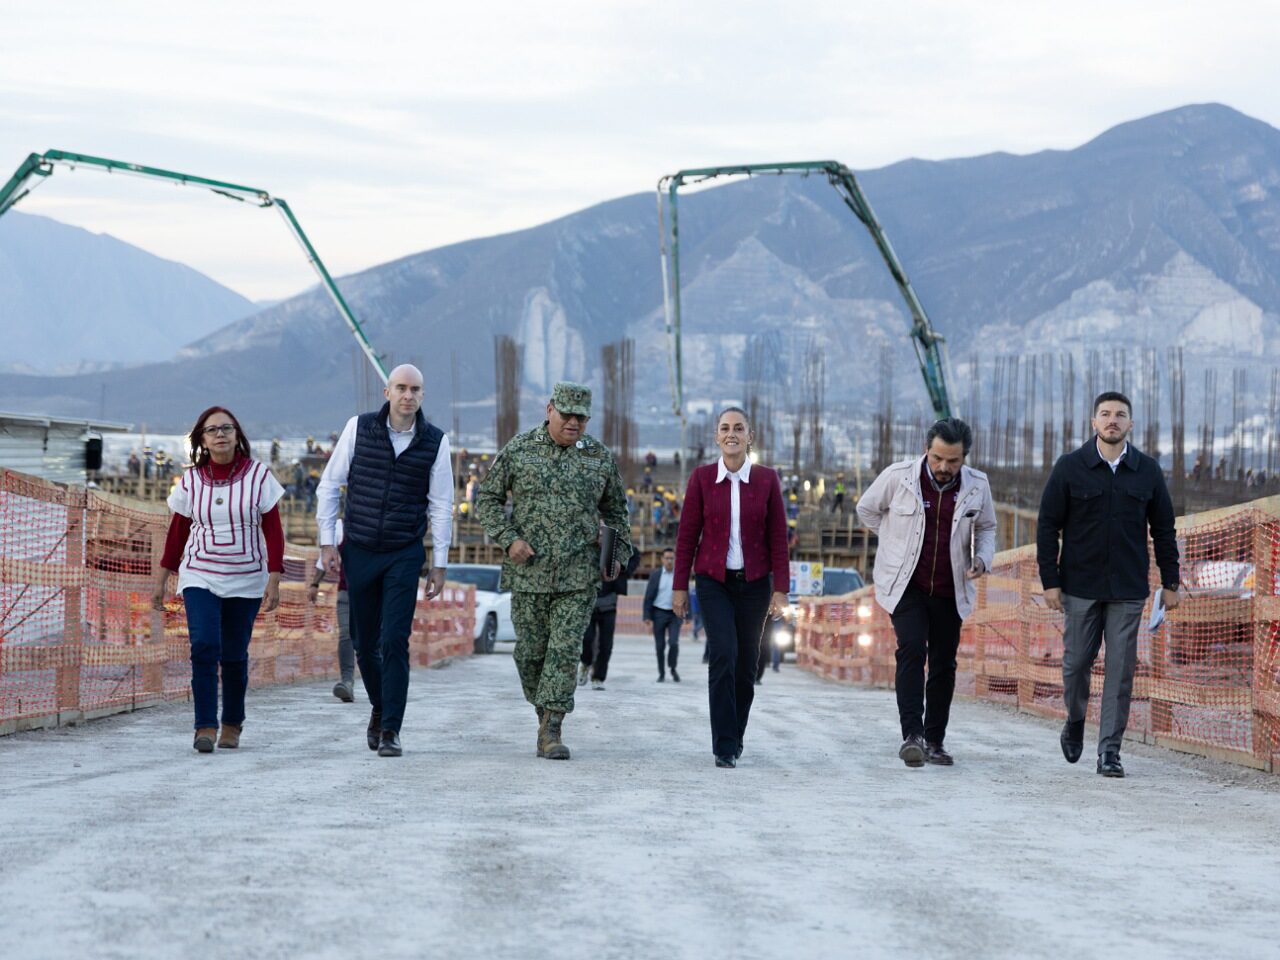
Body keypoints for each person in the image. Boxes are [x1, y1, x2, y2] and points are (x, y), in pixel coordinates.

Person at [476, 382, 632, 761]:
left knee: (564, 651)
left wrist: (616, 552)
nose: (574, 423)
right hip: (529, 572)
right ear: (549, 410)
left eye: (581, 417)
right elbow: (487, 499)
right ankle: (543, 710)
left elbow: (617, 513)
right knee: (529, 653)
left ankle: (553, 728)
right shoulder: (519, 450)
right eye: (567, 415)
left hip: (579, 576)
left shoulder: (598, 458)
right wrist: (509, 539)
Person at [1037, 391, 1180, 778]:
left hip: (1128, 589)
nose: (1112, 420)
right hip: (1079, 586)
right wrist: (1050, 580)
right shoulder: (1070, 467)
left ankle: (1109, 752)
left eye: (1120, 415)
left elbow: (1164, 529)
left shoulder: (1147, 471)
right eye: (1105, 414)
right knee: (1076, 664)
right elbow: (1048, 525)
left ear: (1131, 425)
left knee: (1120, 670)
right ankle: (1075, 718)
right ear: (1093, 422)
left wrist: (1171, 582)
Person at [316, 364, 454, 758]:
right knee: (363, 642)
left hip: (403, 552)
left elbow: (441, 506)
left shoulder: (435, 442)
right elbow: (330, 484)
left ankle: (391, 728)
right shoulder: (358, 429)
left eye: (415, 389)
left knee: (395, 639)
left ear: (423, 396)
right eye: (401, 388)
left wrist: (439, 564)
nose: (408, 395)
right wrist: (328, 543)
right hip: (359, 547)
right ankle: (380, 706)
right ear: (387, 392)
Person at [856, 417, 996, 768]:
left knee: (944, 663)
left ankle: (935, 741)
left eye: (953, 461)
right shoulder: (898, 477)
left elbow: (988, 526)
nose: (944, 467)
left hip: (951, 589)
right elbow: (867, 509)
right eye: (937, 459)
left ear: (965, 458)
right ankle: (912, 736)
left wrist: (981, 558)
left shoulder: (978, 486)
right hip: (906, 586)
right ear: (926, 450)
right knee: (913, 649)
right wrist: (893, 544)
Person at [151, 406, 285, 753]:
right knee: (205, 645)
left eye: (227, 428)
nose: (220, 434)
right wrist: (162, 577)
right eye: (212, 430)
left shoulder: (259, 476)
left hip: (246, 576)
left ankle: (232, 723)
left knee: (235, 654)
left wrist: (274, 577)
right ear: (202, 440)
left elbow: (273, 530)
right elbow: (177, 533)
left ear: (237, 434)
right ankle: (205, 726)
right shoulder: (191, 481)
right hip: (200, 574)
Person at [671, 407, 790, 769]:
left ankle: (736, 734)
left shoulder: (767, 480)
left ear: (749, 436)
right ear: (717, 437)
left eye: (739, 428)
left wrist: (780, 589)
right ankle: (723, 744)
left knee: (746, 665)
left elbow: (778, 539)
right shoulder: (702, 479)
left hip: (755, 585)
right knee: (723, 653)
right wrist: (679, 587)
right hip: (714, 582)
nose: (732, 433)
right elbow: (687, 536)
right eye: (725, 428)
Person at [579, 529, 640, 691]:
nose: (601, 538)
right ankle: (585, 663)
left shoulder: (615, 550)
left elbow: (635, 553)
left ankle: (598, 677)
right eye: (599, 534)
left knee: (606, 644)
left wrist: (623, 571)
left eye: (603, 535)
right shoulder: (586, 547)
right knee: (587, 639)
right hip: (588, 603)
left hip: (609, 604)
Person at [308, 518, 354, 702]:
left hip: (374, 594)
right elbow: (324, 558)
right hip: (347, 591)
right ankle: (347, 681)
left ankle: (382, 684)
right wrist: (314, 583)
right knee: (346, 634)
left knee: (374, 639)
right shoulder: (340, 527)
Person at [643, 548, 681, 682]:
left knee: (674, 642)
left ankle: (673, 668)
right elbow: (648, 597)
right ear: (662, 559)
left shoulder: (679, 575)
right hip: (658, 613)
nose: (669, 561)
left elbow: (685, 594)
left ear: (675, 559)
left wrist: (688, 615)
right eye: (667, 558)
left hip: (674, 614)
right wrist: (647, 617)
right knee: (660, 646)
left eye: (672, 558)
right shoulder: (655, 575)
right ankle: (662, 673)